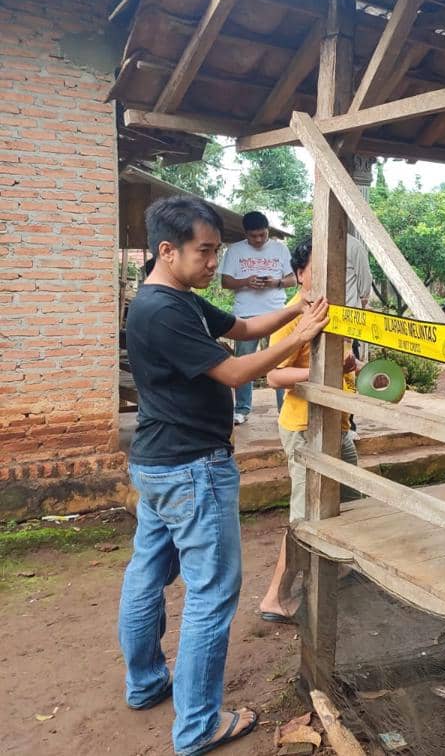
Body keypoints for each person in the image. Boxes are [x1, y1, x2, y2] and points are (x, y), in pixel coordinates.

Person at [119, 196, 329, 756]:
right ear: (169, 250)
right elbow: (235, 369)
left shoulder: (177, 299)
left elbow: (241, 326)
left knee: (147, 573)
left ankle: (145, 685)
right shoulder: (162, 311)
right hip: (192, 468)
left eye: (216, 250)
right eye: (206, 251)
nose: (217, 263)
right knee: (211, 595)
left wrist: (295, 308)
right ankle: (197, 728)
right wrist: (301, 336)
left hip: (159, 461)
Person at [257, 237, 361, 623]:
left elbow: (343, 363)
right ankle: (275, 597)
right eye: (320, 270)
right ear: (300, 274)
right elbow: (273, 375)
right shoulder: (292, 317)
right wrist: (326, 373)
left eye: (338, 270)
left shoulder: (335, 313)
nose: (331, 278)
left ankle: (342, 572)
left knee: (351, 503)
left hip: (338, 425)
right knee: (303, 516)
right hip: (304, 428)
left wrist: (353, 367)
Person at [219, 211, 295, 424]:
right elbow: (225, 282)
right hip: (246, 315)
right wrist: (246, 281)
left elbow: (293, 279)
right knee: (244, 363)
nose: (259, 240)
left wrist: (276, 282)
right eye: (254, 236)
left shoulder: (280, 249)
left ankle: (285, 409)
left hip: (276, 313)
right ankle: (242, 409)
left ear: (267, 231)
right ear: (246, 234)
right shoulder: (235, 250)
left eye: (262, 235)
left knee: (280, 361)